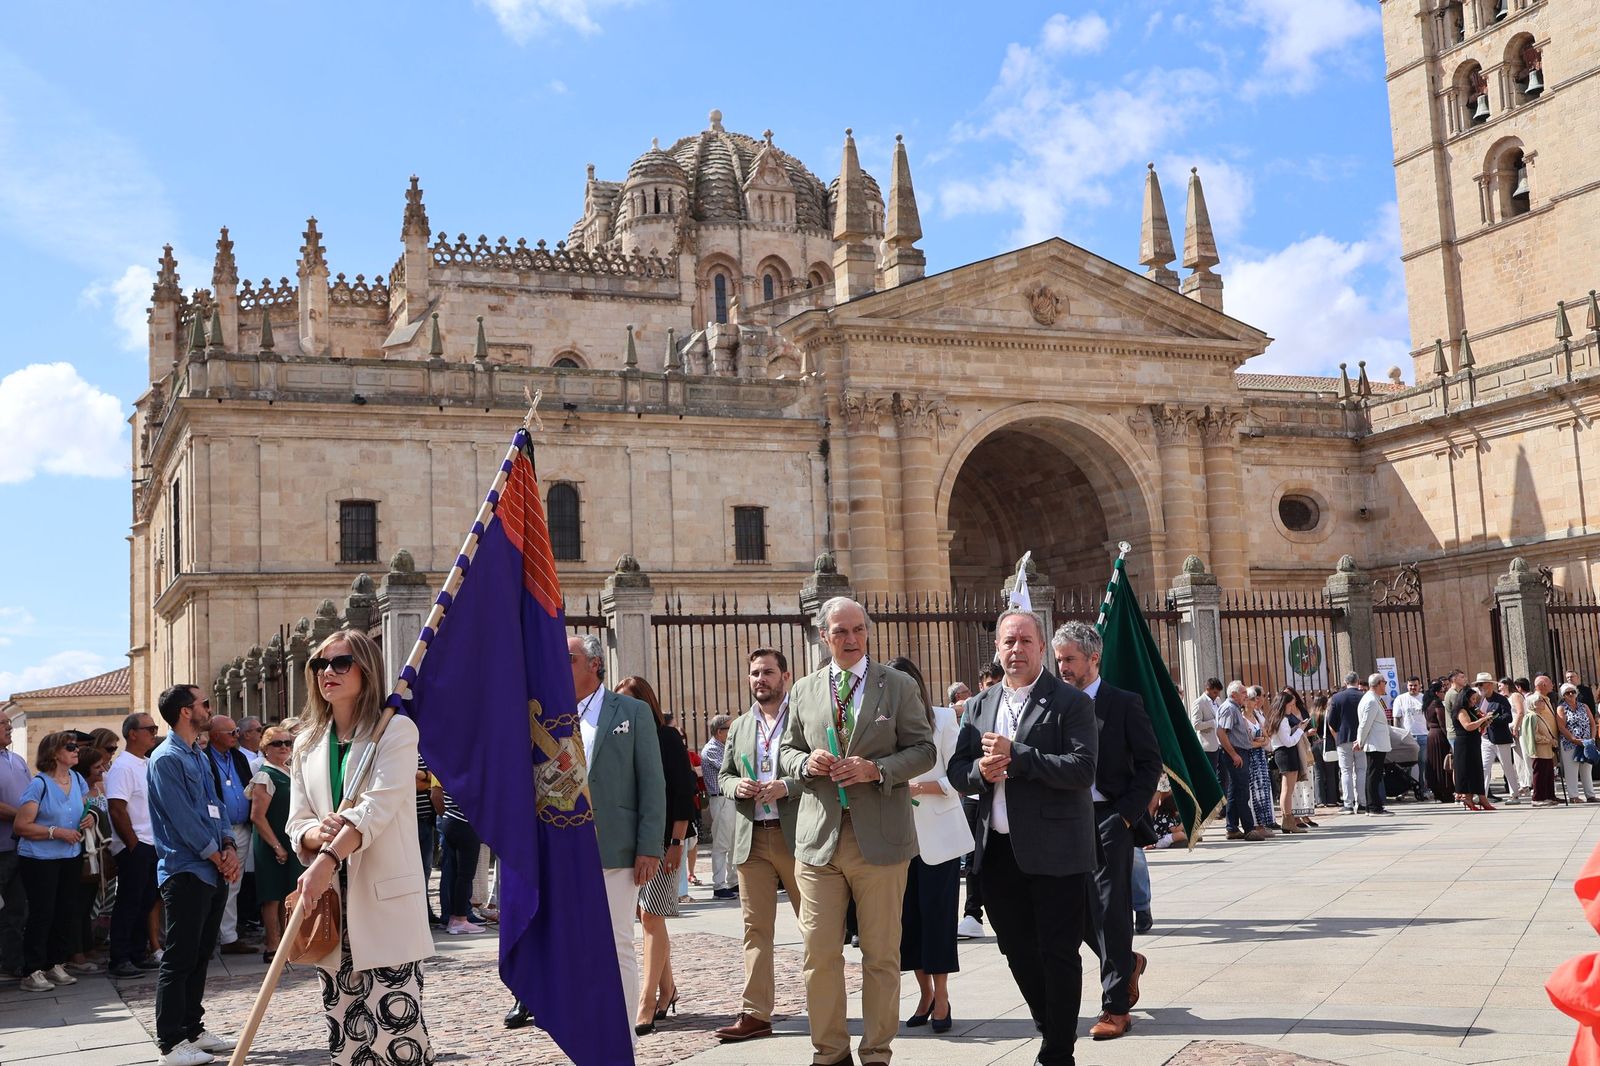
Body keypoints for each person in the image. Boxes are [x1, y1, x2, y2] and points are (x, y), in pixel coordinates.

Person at [777, 596, 934, 1066]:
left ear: (868, 632)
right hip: (818, 840)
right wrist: (805, 762)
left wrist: (877, 770)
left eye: (858, 630)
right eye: (840, 632)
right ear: (823, 636)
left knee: (881, 955)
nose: (851, 640)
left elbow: (924, 750)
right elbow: (786, 750)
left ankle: (877, 1052)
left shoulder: (898, 685)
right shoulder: (803, 690)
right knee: (818, 955)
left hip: (881, 840)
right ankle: (829, 1052)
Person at [947, 608, 1097, 1066]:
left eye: (1025, 641)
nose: (1016, 650)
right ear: (997, 647)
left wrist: (1019, 756)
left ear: (1041, 646)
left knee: (1058, 951)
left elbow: (1082, 768)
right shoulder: (978, 705)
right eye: (1008, 642)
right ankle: (1049, 1023)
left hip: (1056, 850)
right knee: (1014, 948)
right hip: (997, 851)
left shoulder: (1070, 703)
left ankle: (1058, 1050)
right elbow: (957, 770)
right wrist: (979, 771)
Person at [504, 633, 664, 1040]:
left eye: (568, 658)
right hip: (561, 848)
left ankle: (621, 1038)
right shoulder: (545, 716)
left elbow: (652, 782)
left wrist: (649, 847)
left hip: (616, 848)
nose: (558, 666)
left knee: (617, 944)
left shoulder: (629, 711)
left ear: (594, 664)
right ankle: (588, 1031)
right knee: (572, 947)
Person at [286, 629, 435, 1066]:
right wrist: (318, 835)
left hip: (384, 899)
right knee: (346, 1035)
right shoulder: (307, 742)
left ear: (365, 670)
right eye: (318, 665)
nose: (326, 673)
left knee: (398, 1036)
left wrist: (327, 856)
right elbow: (298, 823)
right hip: (331, 907)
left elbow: (378, 807)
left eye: (340, 663)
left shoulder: (395, 731)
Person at [1053, 621, 1159, 1042]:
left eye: (1069, 660)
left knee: (1112, 910)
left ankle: (1115, 1007)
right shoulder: (1054, 704)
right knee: (1075, 911)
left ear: (1093, 659)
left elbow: (1150, 764)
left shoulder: (1123, 703)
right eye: (1058, 659)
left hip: (1110, 818)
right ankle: (1126, 963)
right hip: (1063, 821)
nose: (1061, 667)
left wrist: (1126, 817)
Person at [147, 685, 240, 1066]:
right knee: (180, 956)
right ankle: (171, 1043)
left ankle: (192, 1028)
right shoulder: (166, 758)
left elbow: (213, 804)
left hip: (211, 867)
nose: (209, 708)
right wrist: (218, 855)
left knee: (202, 953)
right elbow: (182, 817)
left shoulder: (197, 754)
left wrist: (230, 846)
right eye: (204, 704)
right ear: (186, 712)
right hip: (186, 869)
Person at [714, 648, 802, 1044]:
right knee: (755, 930)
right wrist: (739, 787)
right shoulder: (739, 727)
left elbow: (819, 769)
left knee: (815, 927)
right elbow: (724, 776)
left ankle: (825, 1003)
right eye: (754, 673)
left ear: (786, 675)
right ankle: (756, 1014)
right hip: (752, 837)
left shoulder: (801, 718)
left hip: (797, 836)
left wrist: (787, 785)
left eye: (768, 672)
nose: (760, 679)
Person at [894, 656, 967, 1037]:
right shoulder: (883, 725)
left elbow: (961, 775)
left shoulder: (942, 719)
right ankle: (923, 993)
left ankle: (942, 996)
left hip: (939, 835)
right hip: (897, 839)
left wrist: (922, 786)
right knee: (908, 922)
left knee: (938, 918)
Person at [616, 676, 693, 1036]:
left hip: (664, 840)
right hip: (628, 840)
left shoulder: (666, 737)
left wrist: (677, 842)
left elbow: (682, 791)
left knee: (650, 915)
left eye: (631, 702)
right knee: (645, 916)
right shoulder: (619, 739)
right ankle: (668, 990)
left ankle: (646, 1002)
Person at [12, 732, 97, 993]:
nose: (76, 751)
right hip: (39, 859)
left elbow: (86, 806)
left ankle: (55, 962)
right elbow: (21, 825)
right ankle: (32, 969)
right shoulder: (39, 784)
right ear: (53, 753)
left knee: (65, 910)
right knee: (42, 912)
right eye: (70, 747)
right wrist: (55, 832)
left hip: (69, 856)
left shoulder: (77, 778)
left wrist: (90, 817)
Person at [106, 711, 163, 979]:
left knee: (147, 900)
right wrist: (133, 844)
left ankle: (138, 953)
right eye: (149, 729)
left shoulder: (147, 763)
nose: (154, 733)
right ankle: (119, 958)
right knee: (128, 902)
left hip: (153, 843)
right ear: (132, 733)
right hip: (136, 845)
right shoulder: (123, 766)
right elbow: (117, 808)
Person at [246, 726, 303, 962]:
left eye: (287, 743)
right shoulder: (265, 774)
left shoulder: (289, 771)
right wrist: (276, 846)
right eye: (277, 744)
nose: (284, 748)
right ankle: (272, 944)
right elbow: (257, 816)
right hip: (271, 840)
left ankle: (288, 943)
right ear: (265, 748)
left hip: (288, 838)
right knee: (271, 895)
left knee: (288, 893)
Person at [204, 716, 257, 955]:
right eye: (231, 732)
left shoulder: (237, 757)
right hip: (214, 830)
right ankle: (211, 934)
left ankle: (228, 936)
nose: (236, 736)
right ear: (214, 735)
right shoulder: (203, 758)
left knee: (234, 882)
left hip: (241, 828)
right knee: (212, 883)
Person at [0, 709, 31, 980]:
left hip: (20, 846)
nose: (8, 728)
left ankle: (12, 963)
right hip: (1, 848)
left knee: (17, 908)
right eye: (3, 724)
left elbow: (32, 795)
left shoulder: (17, 760)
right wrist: (24, 816)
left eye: (9, 723)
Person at [1216, 683, 1265, 840]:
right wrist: (1233, 754)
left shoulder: (1234, 708)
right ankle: (1249, 828)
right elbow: (1221, 732)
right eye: (1243, 692)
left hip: (1240, 751)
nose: (1246, 695)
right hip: (1235, 753)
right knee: (1242, 791)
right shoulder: (1229, 708)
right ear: (1233, 695)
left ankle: (1232, 828)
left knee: (1235, 790)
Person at [702, 715, 736, 900]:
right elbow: (730, 767)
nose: (732, 732)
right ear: (719, 732)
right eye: (729, 728)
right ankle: (719, 885)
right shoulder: (712, 750)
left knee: (732, 843)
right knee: (722, 844)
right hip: (721, 799)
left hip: (730, 799)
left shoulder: (724, 747)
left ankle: (732, 881)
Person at [1471, 672, 1520, 803]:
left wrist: (1493, 719)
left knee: (1507, 767)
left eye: (1481, 685)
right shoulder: (1480, 700)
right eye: (1478, 685)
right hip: (1486, 739)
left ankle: (1514, 795)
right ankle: (1482, 795)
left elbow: (1508, 717)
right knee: (1484, 767)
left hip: (1500, 739)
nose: (1479, 687)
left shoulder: (1501, 699)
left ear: (1489, 685)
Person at [1267, 690, 1308, 832]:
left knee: (1288, 789)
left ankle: (1287, 820)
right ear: (1284, 705)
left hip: (1284, 753)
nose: (1292, 708)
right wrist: (1300, 729)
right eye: (1290, 705)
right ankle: (1288, 820)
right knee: (1287, 789)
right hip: (1286, 753)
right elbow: (1289, 742)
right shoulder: (1282, 720)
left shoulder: (1278, 718)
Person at [1354, 674, 1394, 816]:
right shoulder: (1371, 700)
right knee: (1373, 775)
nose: (1385, 684)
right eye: (1384, 682)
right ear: (1378, 684)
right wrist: (1360, 741)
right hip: (1374, 743)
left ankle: (1374, 805)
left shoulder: (1374, 699)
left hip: (1378, 742)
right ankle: (1372, 807)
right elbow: (1365, 724)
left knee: (1374, 775)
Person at [1326, 672, 1366, 815]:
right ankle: (1362, 803)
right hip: (1361, 738)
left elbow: (1331, 721)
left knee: (1346, 771)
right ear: (1357, 681)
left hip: (1343, 738)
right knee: (1361, 770)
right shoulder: (1364, 696)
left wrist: (1337, 734)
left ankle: (1348, 804)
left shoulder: (1336, 698)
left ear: (1345, 682)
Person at [1453, 686, 1496, 810]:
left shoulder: (1471, 710)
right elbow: (1468, 726)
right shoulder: (1461, 711)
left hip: (1474, 742)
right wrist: (1483, 719)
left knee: (1476, 770)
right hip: (1464, 743)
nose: (1474, 701)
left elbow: (1477, 727)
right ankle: (1468, 797)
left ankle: (1480, 798)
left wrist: (1485, 722)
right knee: (1467, 770)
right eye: (1472, 699)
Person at [1557, 681, 1598, 803]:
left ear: (1576, 693)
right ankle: (1573, 796)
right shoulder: (1561, 708)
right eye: (1567, 693)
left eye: (1573, 692)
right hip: (1570, 743)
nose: (1570, 694)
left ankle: (1590, 795)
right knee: (1571, 770)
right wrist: (1573, 739)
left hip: (1586, 742)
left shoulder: (1584, 706)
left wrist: (1592, 738)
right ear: (1563, 695)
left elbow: (1592, 724)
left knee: (1586, 769)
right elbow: (1561, 727)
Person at [1242, 687, 1275, 830]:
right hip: (1251, 758)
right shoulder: (1242, 719)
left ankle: (1263, 823)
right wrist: (1260, 742)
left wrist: (1260, 741)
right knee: (1253, 791)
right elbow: (1247, 742)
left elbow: (1266, 737)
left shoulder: (1255, 717)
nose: (1256, 701)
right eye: (1253, 699)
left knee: (1263, 790)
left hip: (1260, 757)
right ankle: (1256, 825)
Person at [1527, 677, 1562, 806]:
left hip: (1548, 746)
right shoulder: (1532, 715)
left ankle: (1549, 796)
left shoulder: (1541, 709)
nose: (1552, 685)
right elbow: (1534, 735)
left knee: (1548, 773)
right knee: (1540, 773)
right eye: (1540, 702)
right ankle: (1538, 798)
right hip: (1541, 748)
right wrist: (1548, 740)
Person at [1391, 677, 1428, 794]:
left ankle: (1423, 788)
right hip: (1407, 737)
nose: (1413, 688)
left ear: (1420, 685)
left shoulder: (1424, 698)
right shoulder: (1400, 699)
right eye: (1410, 685)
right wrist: (1398, 735)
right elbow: (1396, 718)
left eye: (1415, 685)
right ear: (1407, 686)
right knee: (1406, 765)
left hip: (1423, 735)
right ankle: (1404, 789)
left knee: (1423, 763)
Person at [1423, 681, 1456, 802]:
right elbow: (1443, 723)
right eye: (1443, 691)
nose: (1444, 693)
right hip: (1439, 736)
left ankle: (1437, 791)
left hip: (1431, 735)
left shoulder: (1427, 704)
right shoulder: (1437, 703)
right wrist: (1449, 738)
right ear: (1437, 693)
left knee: (1435, 764)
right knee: (1443, 764)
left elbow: (1427, 724)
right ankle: (1445, 791)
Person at [1190, 678, 1223, 762]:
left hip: (1221, 744)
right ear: (1207, 689)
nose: (1217, 695)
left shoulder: (1218, 700)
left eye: (1218, 692)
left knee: (1224, 774)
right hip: (1208, 747)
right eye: (1215, 692)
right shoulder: (1199, 703)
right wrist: (1213, 723)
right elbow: (1196, 725)